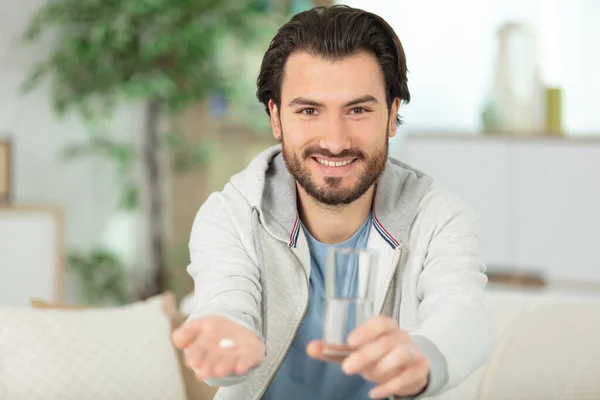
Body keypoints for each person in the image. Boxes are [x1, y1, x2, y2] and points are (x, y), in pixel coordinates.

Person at [172, 4, 495, 400]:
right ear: (275, 117)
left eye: (358, 110)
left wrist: (424, 357)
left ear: (393, 113)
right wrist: (224, 337)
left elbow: (463, 313)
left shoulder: (438, 217)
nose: (335, 141)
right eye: (309, 110)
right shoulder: (233, 214)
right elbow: (225, 299)